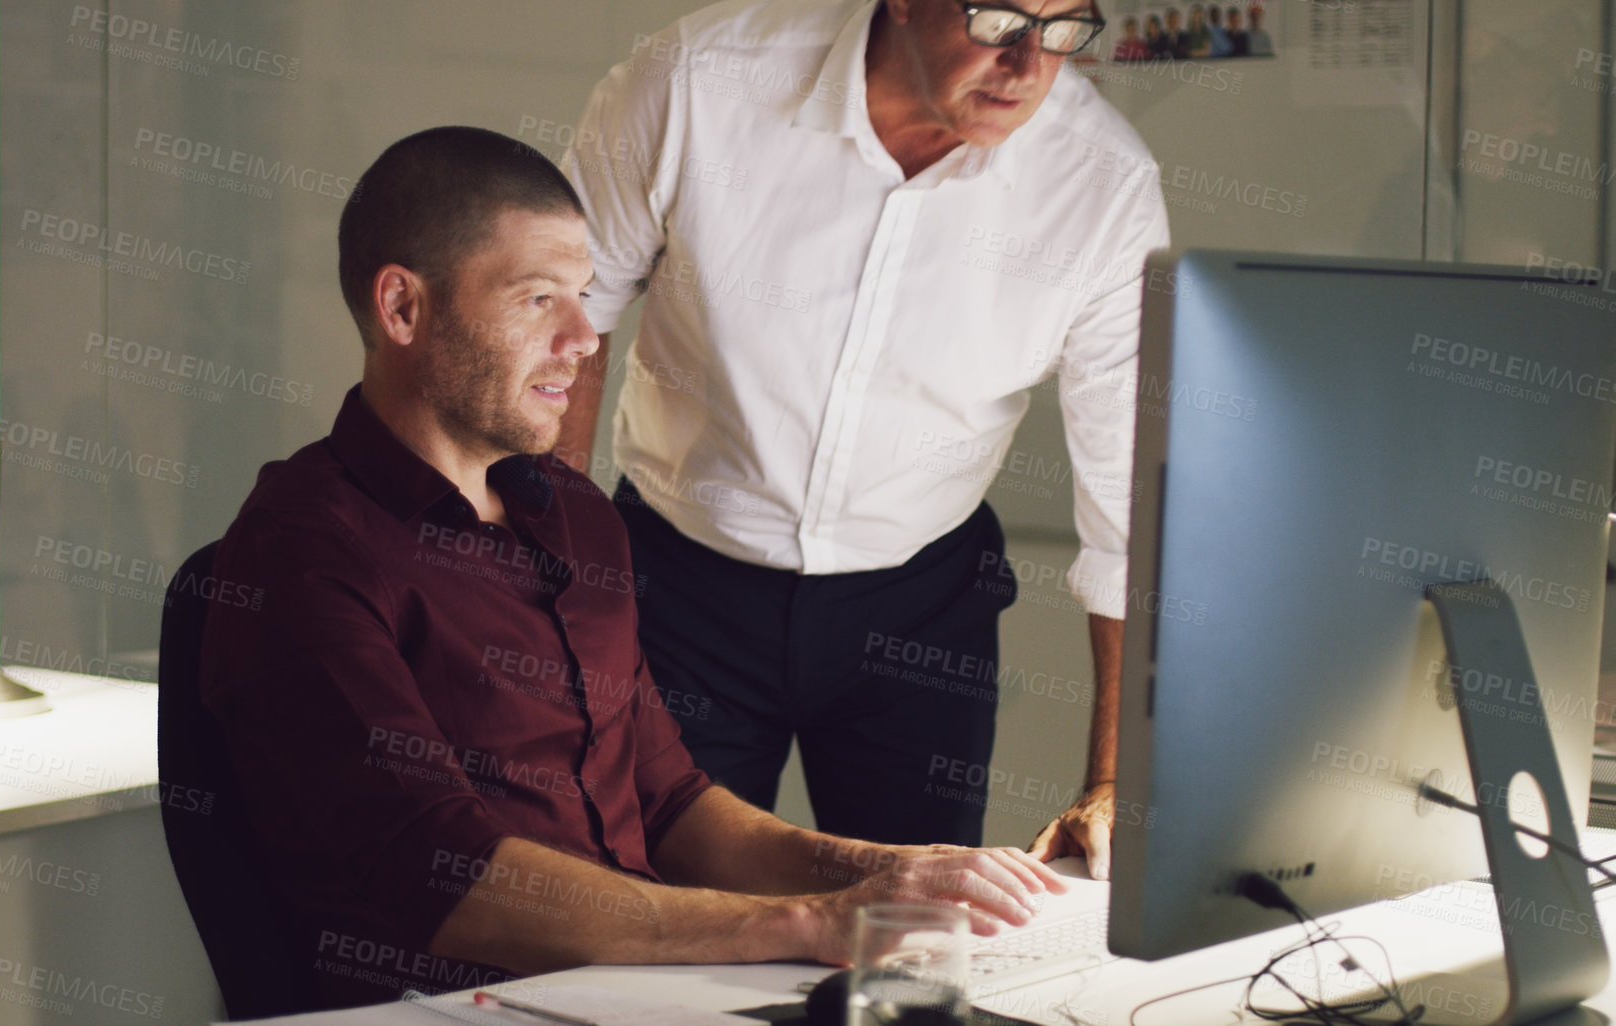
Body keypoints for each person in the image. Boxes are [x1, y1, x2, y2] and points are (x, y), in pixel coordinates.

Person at [199, 126, 1064, 1012]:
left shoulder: (576, 518)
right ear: (403, 309)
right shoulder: (301, 550)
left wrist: (888, 873)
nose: (583, 336)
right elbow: (439, 873)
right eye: (539, 300)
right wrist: (806, 921)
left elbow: (668, 799)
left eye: (584, 295)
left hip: (632, 993)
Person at [561, 0, 1170, 877]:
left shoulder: (1102, 187)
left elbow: (1131, 506)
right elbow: (563, 321)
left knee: (913, 943)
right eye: (1000, 19)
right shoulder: (698, 81)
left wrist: (1114, 781)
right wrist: (555, 588)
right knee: (662, 909)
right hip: (677, 589)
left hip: (921, 606)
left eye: (1067, 26)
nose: (1030, 65)